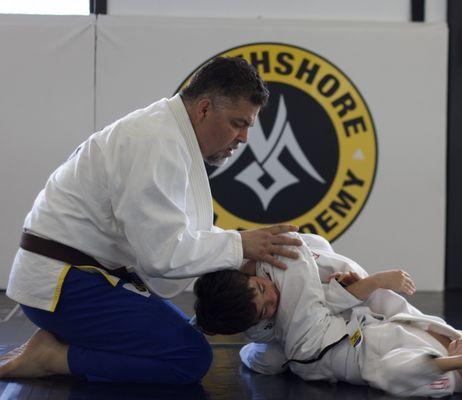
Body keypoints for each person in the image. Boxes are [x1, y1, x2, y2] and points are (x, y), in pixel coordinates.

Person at [0, 56, 302, 384]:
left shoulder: (167, 133)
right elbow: (163, 256)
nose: (243, 138)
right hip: (65, 285)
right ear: (204, 109)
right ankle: (54, 356)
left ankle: (68, 342)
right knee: (190, 356)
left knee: (183, 334)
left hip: (84, 275)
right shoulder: (154, 142)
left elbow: (182, 232)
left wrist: (243, 251)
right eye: (237, 123)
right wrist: (240, 244)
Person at [193, 233, 462, 398]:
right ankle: (253, 337)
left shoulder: (441, 378)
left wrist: (373, 282)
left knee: (295, 253)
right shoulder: (453, 344)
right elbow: (388, 310)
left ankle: (244, 269)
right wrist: (366, 288)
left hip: (318, 348)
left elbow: (390, 371)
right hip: (328, 329)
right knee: (266, 359)